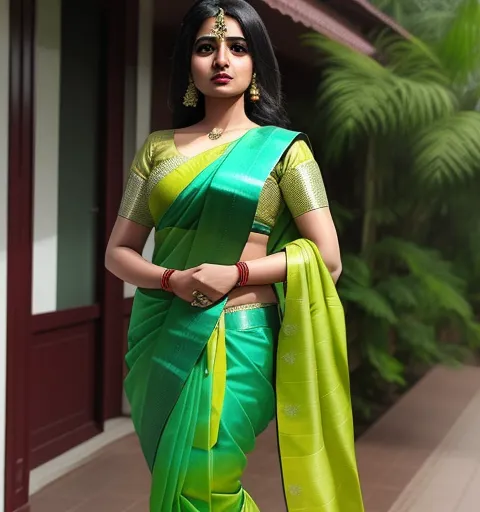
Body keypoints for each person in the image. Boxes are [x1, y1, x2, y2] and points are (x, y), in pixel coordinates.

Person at [105, 0, 364, 510]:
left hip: (243, 332)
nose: (221, 59)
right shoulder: (157, 150)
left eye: (237, 47)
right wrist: (171, 279)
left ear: (255, 64)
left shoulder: (286, 151)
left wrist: (238, 271)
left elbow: (326, 258)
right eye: (206, 47)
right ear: (189, 64)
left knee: (207, 481)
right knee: (179, 484)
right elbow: (119, 252)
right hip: (163, 331)